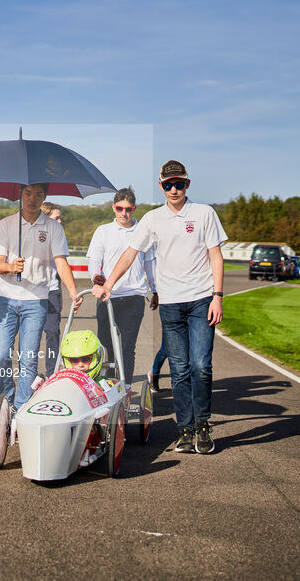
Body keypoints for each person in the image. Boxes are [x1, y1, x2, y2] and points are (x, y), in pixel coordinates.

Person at [93, 160, 226, 455]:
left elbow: (215, 256)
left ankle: (202, 425)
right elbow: (130, 253)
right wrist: (109, 284)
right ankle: (185, 429)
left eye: (179, 184)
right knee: (178, 370)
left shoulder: (205, 213)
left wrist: (218, 295)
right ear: (161, 186)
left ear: (187, 184)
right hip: (170, 303)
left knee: (201, 367)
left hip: (202, 299)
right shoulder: (153, 219)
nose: (174, 189)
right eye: (168, 185)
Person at [0, 183, 82, 411]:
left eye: (38, 194)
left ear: (45, 197)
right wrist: (11, 267)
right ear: (20, 195)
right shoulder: (6, 224)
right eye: (28, 193)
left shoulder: (53, 228)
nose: (32, 199)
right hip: (6, 299)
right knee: (0, 356)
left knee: (28, 359)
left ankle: (21, 408)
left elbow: (61, 261)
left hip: (37, 300)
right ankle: (6, 402)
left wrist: (72, 290)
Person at [86, 188, 155, 386]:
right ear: (113, 208)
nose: (124, 213)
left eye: (128, 209)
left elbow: (150, 262)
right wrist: (96, 278)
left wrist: (156, 290)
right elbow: (94, 261)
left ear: (134, 209)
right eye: (119, 208)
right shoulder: (103, 231)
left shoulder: (144, 231)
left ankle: (124, 388)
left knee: (126, 348)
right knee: (106, 347)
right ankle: (106, 387)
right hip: (108, 296)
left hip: (134, 295)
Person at [39, 201, 64, 378]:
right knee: (30, 337)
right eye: (57, 218)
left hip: (53, 292)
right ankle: (28, 372)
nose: (60, 221)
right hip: (33, 292)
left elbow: (63, 264)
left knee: (53, 333)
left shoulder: (59, 235)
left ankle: (51, 373)